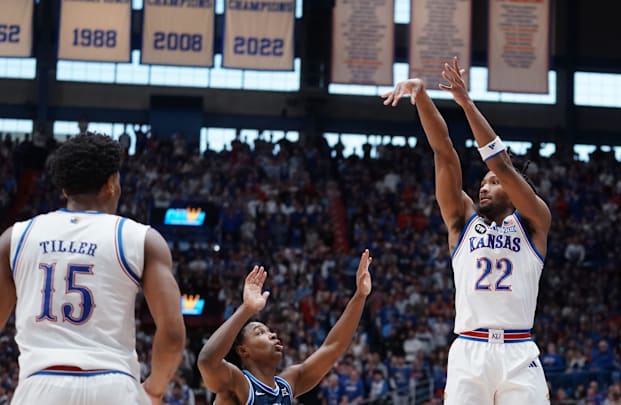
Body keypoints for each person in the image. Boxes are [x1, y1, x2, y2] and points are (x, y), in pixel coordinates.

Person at [382, 57, 552, 404]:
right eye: (483, 183)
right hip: (469, 349)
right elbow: (444, 152)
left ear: (517, 189)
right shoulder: (463, 221)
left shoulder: (534, 220)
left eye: (493, 184)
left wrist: (466, 103)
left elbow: (501, 165)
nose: (484, 188)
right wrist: (422, 97)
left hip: (518, 351)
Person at [0, 133, 186, 404]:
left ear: (65, 190)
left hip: (39, 386)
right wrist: (155, 390)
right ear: (111, 184)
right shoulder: (141, 239)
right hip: (114, 386)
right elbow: (172, 334)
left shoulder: (15, 238)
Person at [197, 249, 373, 405]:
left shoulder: (287, 384)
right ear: (243, 351)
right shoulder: (237, 383)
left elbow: (333, 347)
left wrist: (360, 296)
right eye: (260, 332)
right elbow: (206, 361)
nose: (272, 335)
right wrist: (246, 309)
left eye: (269, 331)